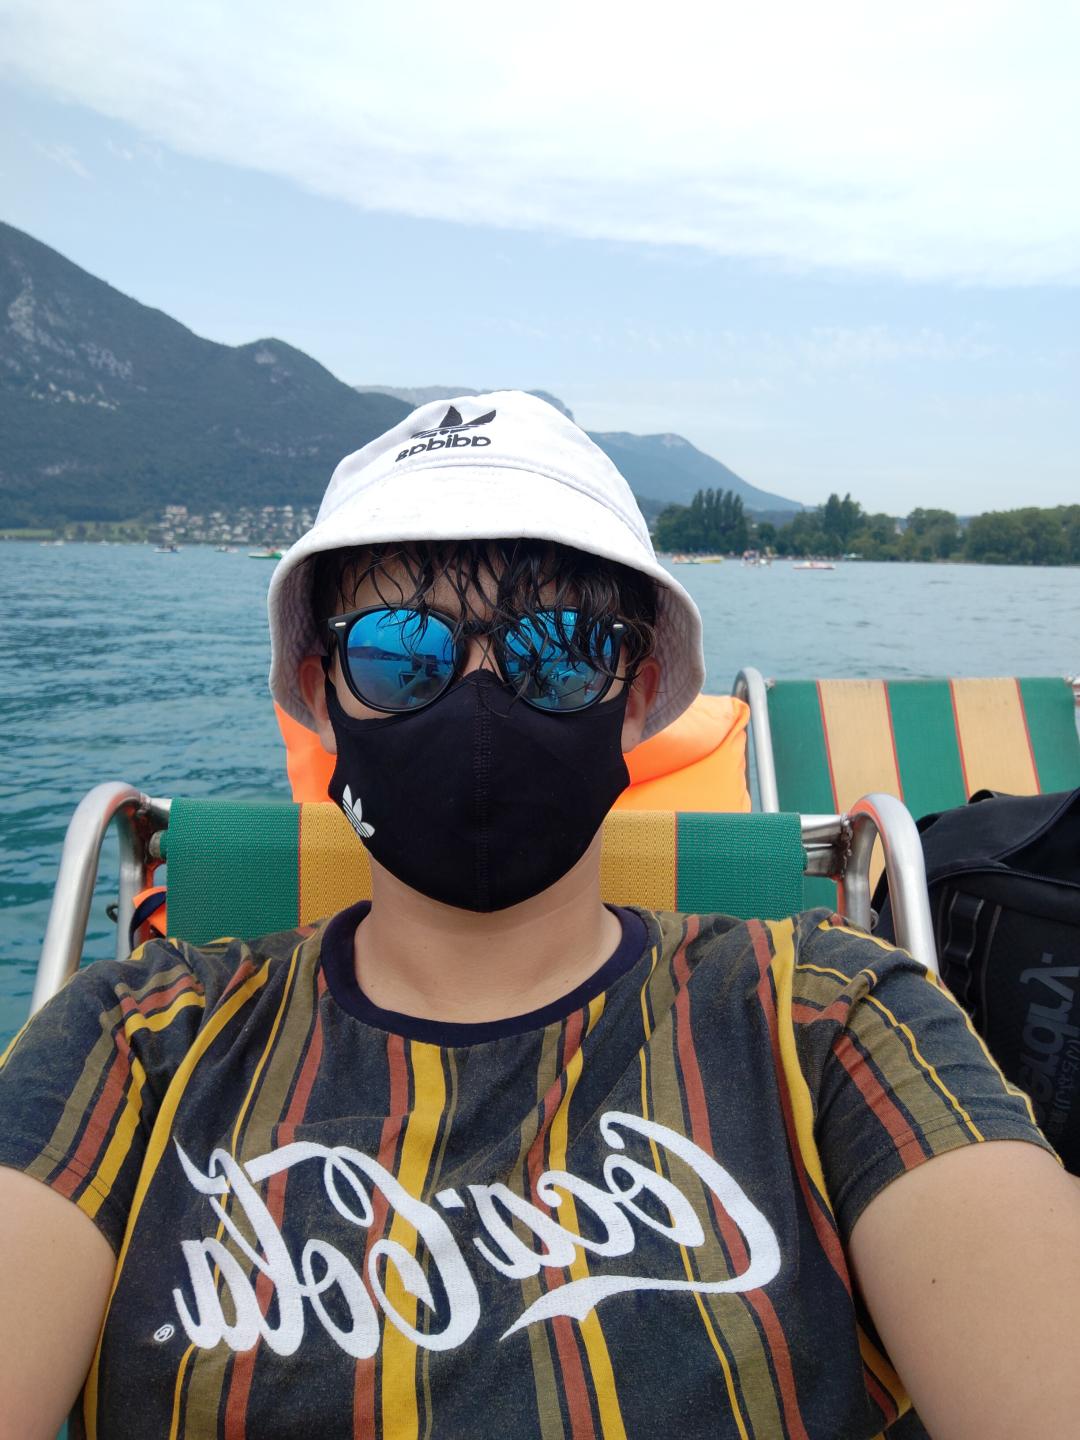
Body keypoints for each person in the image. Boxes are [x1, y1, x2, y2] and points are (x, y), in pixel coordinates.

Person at [1, 391, 1078, 1440]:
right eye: (401, 653)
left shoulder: (825, 1013)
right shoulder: (136, 1039)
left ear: (636, 695)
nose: (479, 704)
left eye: (558, 654)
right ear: (322, 692)